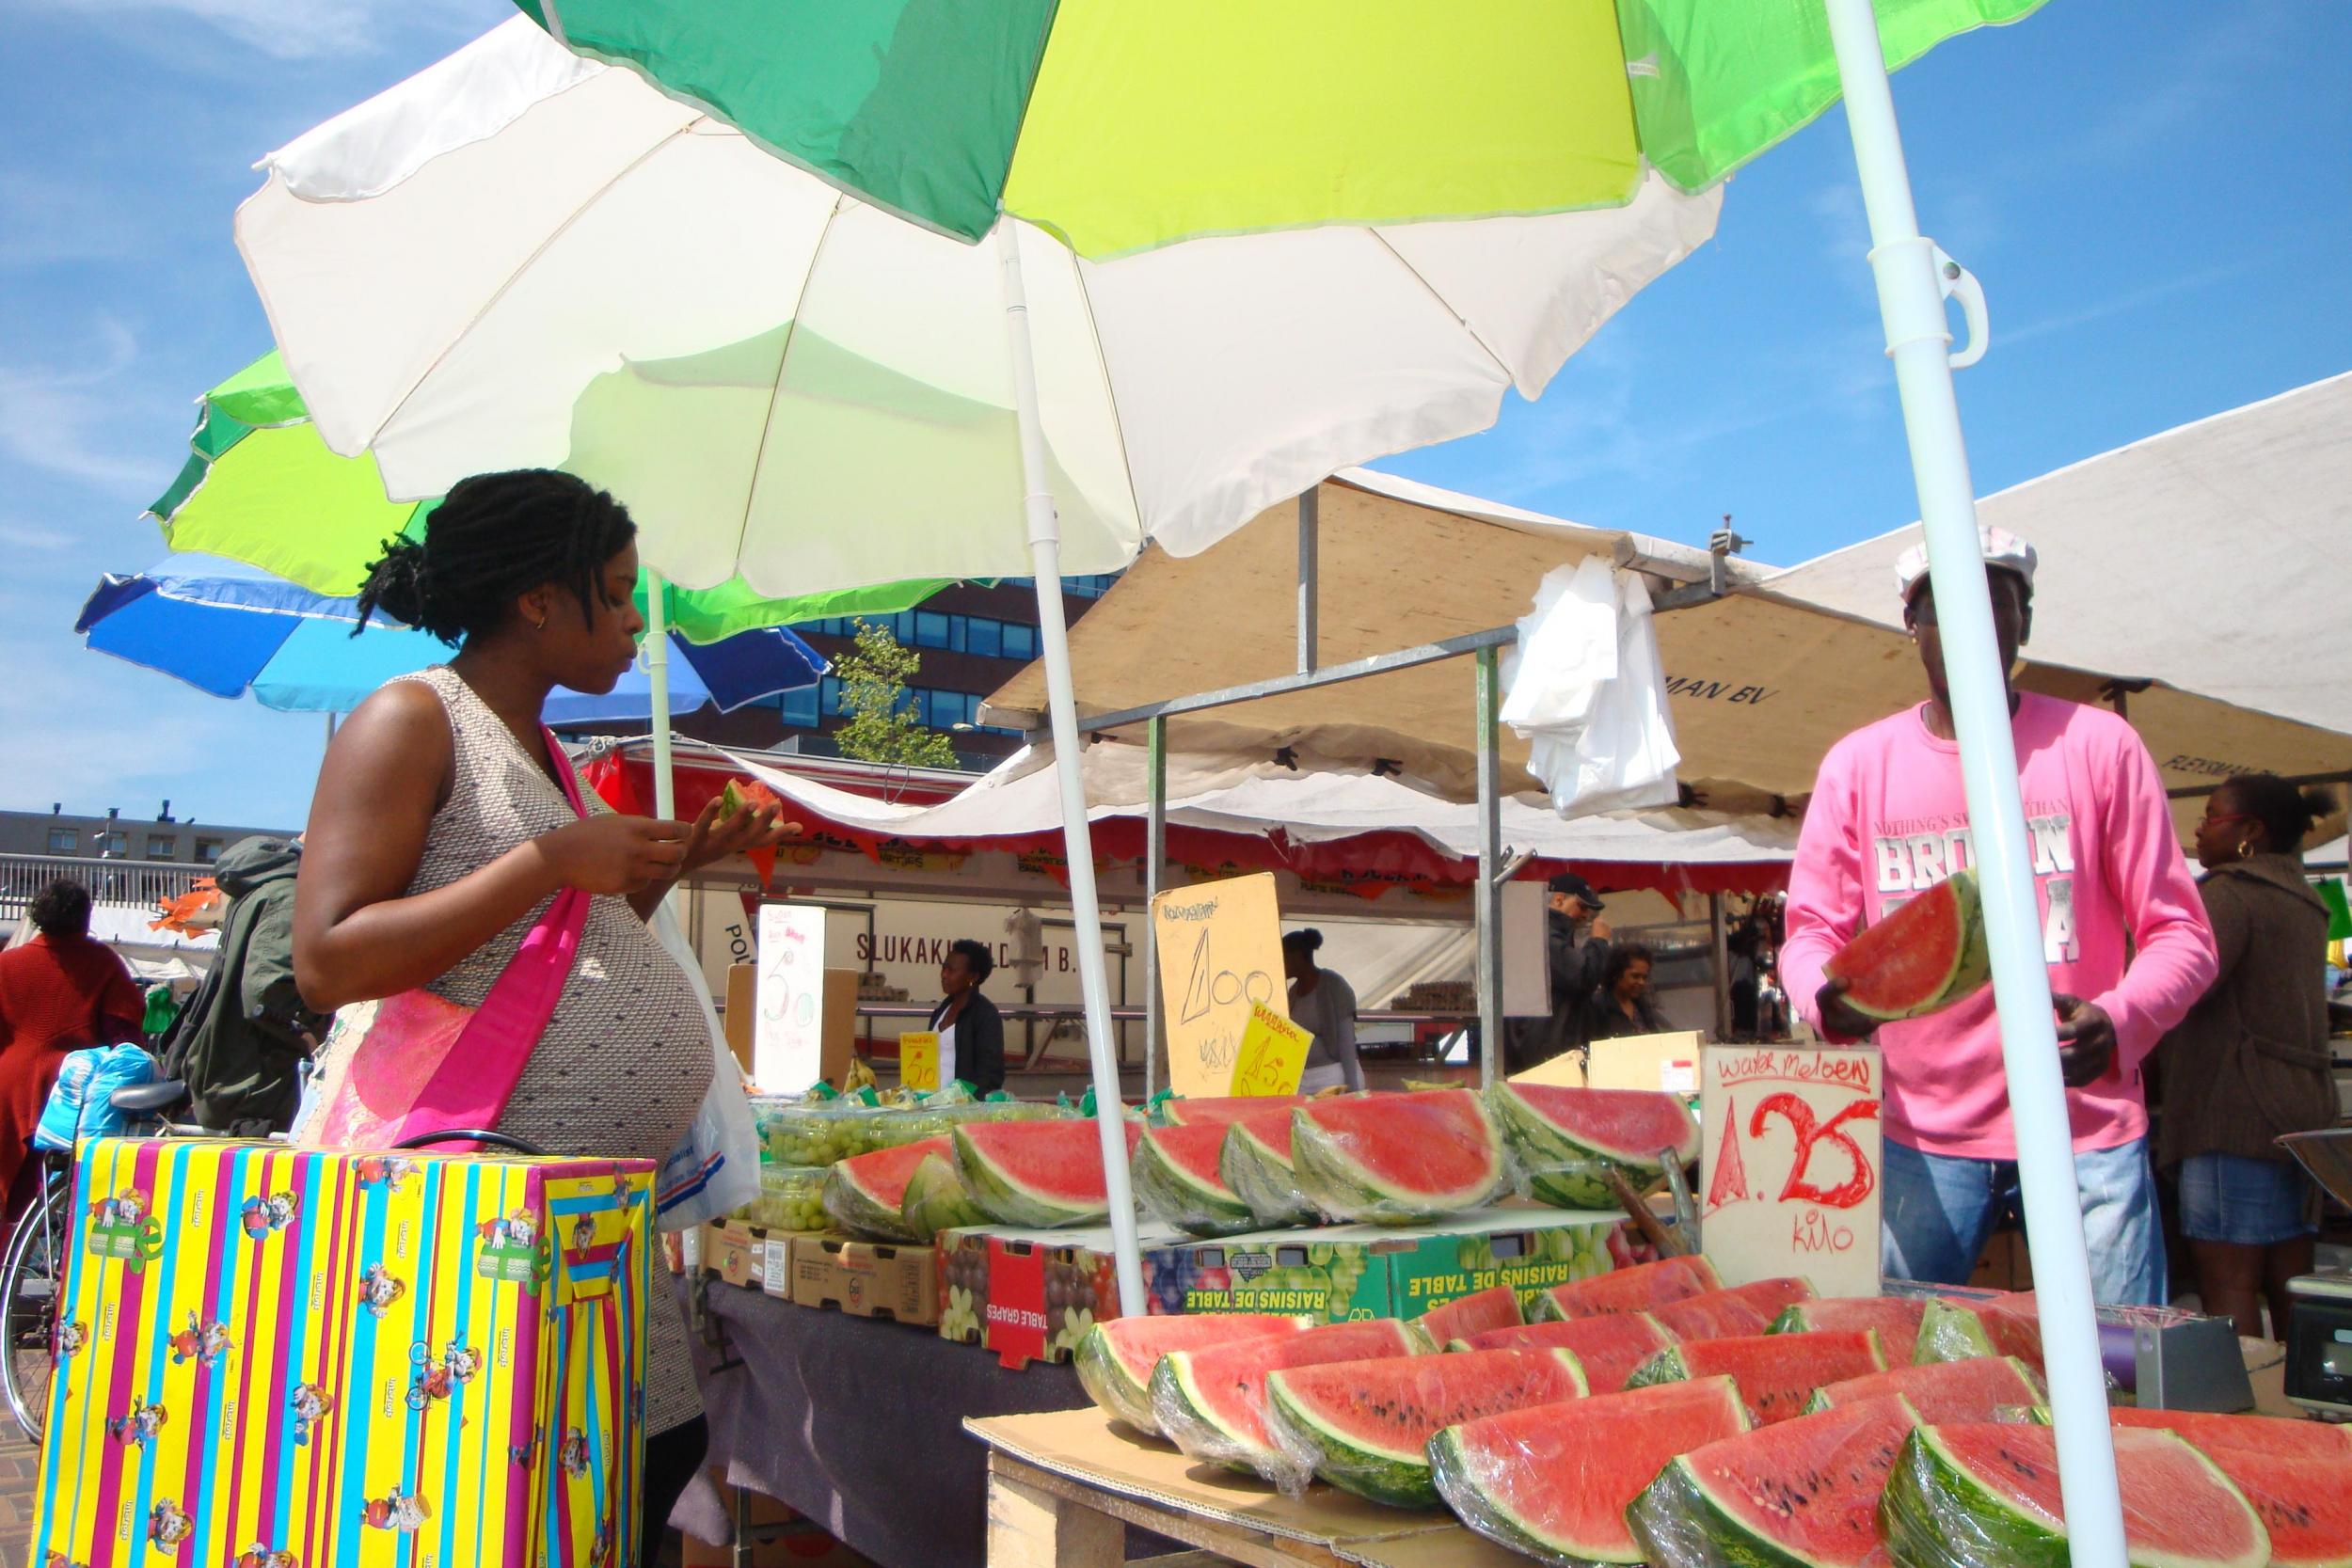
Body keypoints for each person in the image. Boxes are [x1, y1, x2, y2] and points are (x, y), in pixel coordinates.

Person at [291, 469, 794, 1563]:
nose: (630, 626)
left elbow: (553, 962)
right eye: (614, 595)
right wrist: (551, 858)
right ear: (538, 601)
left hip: (593, 1236)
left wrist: (665, 867)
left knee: (636, 1483)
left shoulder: (548, 757)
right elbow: (326, 956)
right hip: (471, 1249)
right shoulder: (412, 717)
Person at [1781, 527, 2217, 1307]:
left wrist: (2119, 1018)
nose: (1974, 622)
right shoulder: (1858, 767)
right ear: (1912, 626)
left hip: (2086, 1130)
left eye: (1998, 602)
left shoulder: (2100, 746)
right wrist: (1824, 995)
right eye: (1943, 605)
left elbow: (2182, 933)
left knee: (2121, 1377)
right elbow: (1811, 927)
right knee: (1916, 1376)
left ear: (2026, 620)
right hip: (1921, 1136)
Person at [2157, 775, 2337, 1338]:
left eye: (2212, 816)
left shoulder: (2229, 896)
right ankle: (2306, 1412)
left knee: (2228, 1284)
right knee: (2292, 1280)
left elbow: (2184, 986)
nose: (2200, 828)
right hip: (2300, 1113)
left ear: (2250, 833)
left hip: (2230, 1114)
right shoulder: (2305, 901)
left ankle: (2246, 1412)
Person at [160, 835, 328, 1135]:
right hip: (256, 1085)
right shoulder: (288, 894)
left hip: (231, 1077)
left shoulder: (260, 888)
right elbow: (267, 992)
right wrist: (314, 1037)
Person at [0, 879, 145, 1223]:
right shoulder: (103, 963)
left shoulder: (7, 963)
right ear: (85, 917)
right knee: (54, 1196)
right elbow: (124, 1037)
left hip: (7, 1082)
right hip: (71, 1087)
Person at [1541, 873, 1613, 1061]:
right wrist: (1598, 941)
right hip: (1550, 1046)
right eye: (1581, 906)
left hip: (1555, 1042)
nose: (1585, 915)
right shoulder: (1547, 936)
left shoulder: (1552, 934)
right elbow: (1582, 977)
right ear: (1558, 900)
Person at [1282, 929, 1363, 1092]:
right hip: (1303, 1078)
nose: (1281, 963)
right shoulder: (1293, 993)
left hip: (1334, 1074)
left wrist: (1352, 1087)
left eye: (1283, 958)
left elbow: (1346, 1040)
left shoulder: (1334, 985)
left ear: (1297, 956)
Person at [929, 939, 1006, 1095]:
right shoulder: (940, 1012)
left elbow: (990, 1075)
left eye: (952, 970)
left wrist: (969, 1104)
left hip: (963, 1110)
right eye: (944, 968)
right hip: (931, 1107)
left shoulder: (986, 1015)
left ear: (973, 977)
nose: (944, 975)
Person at [1583, 942, 1668, 1040]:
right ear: (1616, 974)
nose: (1641, 982)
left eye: (1644, 977)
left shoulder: (1642, 1006)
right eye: (1635, 976)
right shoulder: (1597, 1008)